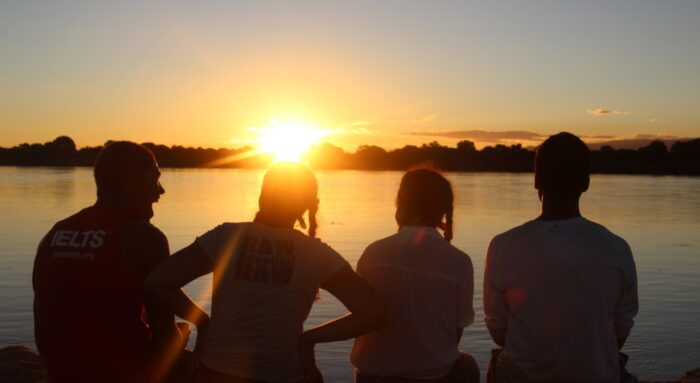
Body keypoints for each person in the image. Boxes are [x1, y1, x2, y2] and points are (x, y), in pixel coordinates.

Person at [145, 162, 388, 383]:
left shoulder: (226, 237)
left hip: (215, 374)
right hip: (282, 374)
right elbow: (374, 313)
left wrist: (203, 322)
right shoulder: (317, 253)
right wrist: (309, 339)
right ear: (304, 206)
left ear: (263, 197)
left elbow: (158, 282)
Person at [483, 132, 639, 383]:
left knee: (497, 359)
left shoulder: (503, 246)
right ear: (586, 183)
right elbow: (620, 331)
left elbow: (498, 330)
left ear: (536, 180)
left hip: (520, 378)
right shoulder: (617, 247)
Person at [33, 141, 194, 383]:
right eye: (155, 179)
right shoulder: (145, 237)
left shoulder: (55, 232)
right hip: (123, 374)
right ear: (131, 182)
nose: (161, 191)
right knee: (185, 335)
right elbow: (164, 338)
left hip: (61, 372)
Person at [351, 168, 480, 383]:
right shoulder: (460, 261)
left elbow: (360, 314)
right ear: (443, 210)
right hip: (432, 376)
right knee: (468, 365)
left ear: (400, 204)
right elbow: (455, 333)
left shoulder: (373, 253)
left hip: (372, 377)